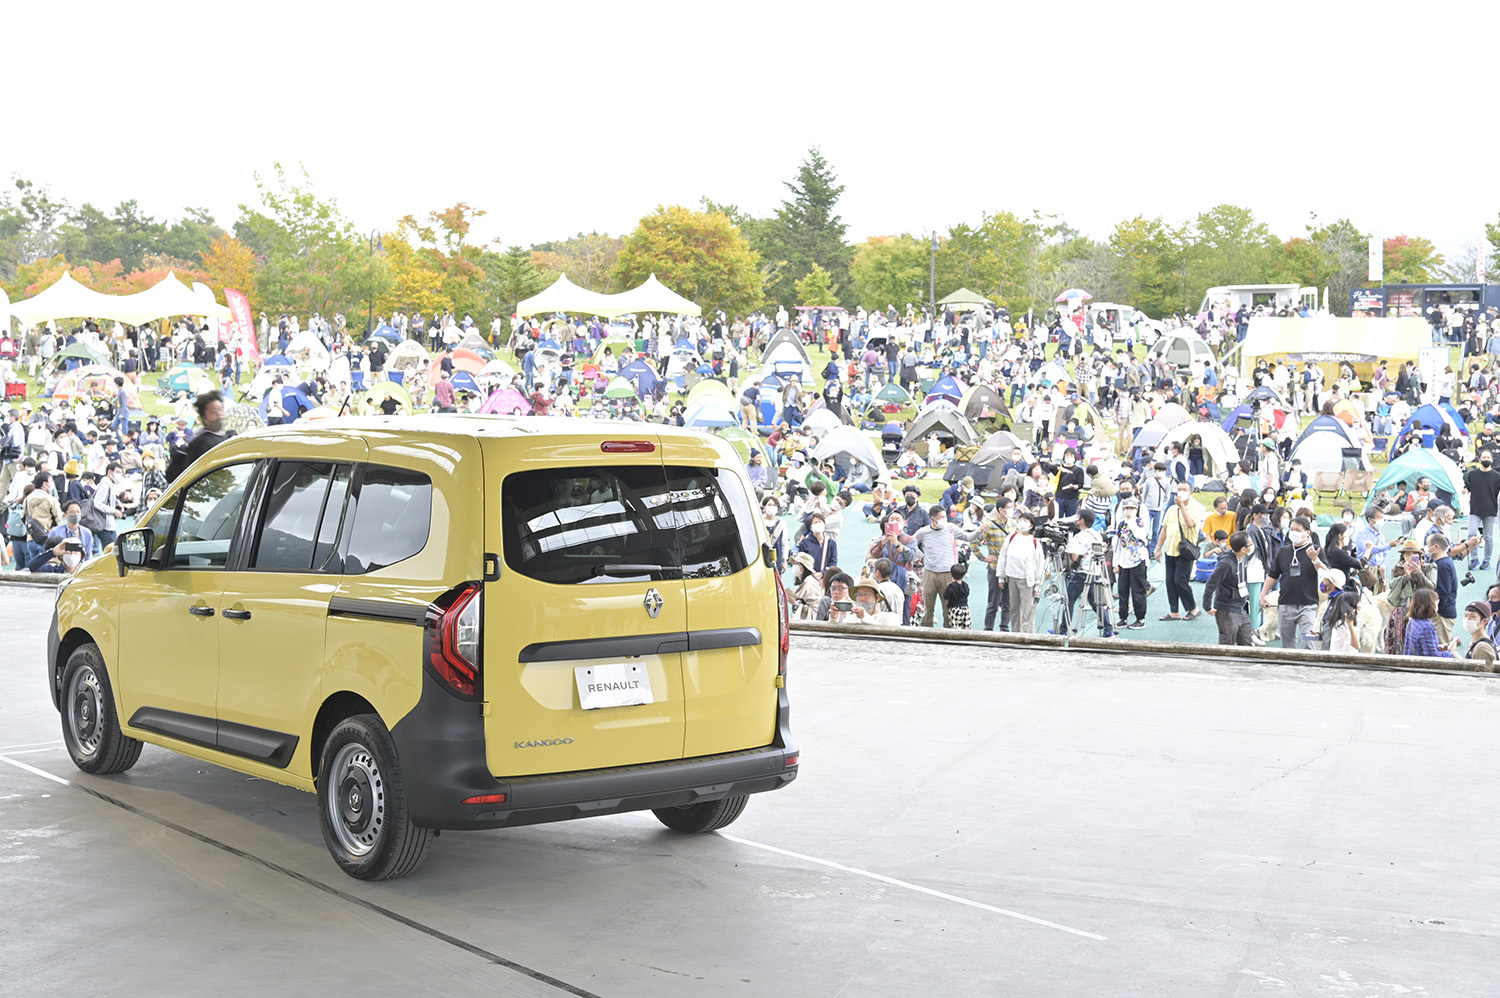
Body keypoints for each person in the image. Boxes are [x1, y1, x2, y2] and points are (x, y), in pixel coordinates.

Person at [910, 504, 981, 627]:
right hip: (930, 572)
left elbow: (967, 537)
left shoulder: (951, 528)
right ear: (933, 519)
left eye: (945, 516)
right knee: (928, 606)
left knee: (948, 606)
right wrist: (921, 556)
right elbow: (911, 542)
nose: (944, 519)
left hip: (948, 572)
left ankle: (948, 632)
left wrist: (978, 531)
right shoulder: (924, 531)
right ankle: (925, 633)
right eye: (941, 517)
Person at [1263, 516, 1323, 650]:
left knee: (1309, 641)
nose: (1293, 532)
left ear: (1307, 532)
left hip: (1308, 604)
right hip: (1285, 603)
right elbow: (1272, 575)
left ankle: (1310, 667)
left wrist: (1315, 559)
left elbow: (1326, 574)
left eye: (1297, 530)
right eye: (1291, 529)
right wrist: (1263, 594)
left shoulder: (1315, 550)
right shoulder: (1283, 551)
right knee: (1287, 643)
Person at [1153, 482, 1202, 621]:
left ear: (1190, 492)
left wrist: (1182, 506)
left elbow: (1191, 523)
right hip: (1170, 549)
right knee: (1170, 581)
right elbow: (1164, 529)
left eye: (1184, 490)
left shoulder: (1195, 507)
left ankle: (1193, 608)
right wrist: (1158, 548)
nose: (1181, 492)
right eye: (1179, 489)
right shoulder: (1171, 509)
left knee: (1180, 580)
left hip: (1185, 551)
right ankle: (1174, 611)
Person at [1061, 509, 1114, 636]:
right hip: (1095, 571)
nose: (1076, 520)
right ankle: (1109, 628)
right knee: (1096, 602)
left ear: (1082, 520)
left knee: (1069, 600)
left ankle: (1063, 630)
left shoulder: (1079, 536)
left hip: (1082, 572)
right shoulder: (1096, 534)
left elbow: (1074, 557)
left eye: (1078, 517)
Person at [166, 391, 232, 483]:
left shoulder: (228, 436)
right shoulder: (201, 444)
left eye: (221, 409)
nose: (219, 414)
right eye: (213, 411)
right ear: (204, 417)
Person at [999, 510, 1047, 634]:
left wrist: (1038, 585)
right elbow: (1003, 556)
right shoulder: (1012, 537)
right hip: (1012, 577)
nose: (1022, 522)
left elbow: (1040, 565)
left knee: (1028, 610)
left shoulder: (1034, 542)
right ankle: (1016, 633)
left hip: (1027, 580)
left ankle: (1028, 635)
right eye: (1021, 519)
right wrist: (1001, 576)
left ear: (1031, 526)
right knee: (1014, 609)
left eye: (1026, 521)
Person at [1203, 530, 1255, 646]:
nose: (1252, 546)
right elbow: (1211, 584)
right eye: (1250, 545)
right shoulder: (1226, 564)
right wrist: (1207, 606)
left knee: (1247, 643)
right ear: (1243, 549)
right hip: (1227, 609)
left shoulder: (1243, 558)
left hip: (1240, 607)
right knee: (1227, 645)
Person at [1111, 497, 1150, 629]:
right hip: (1123, 561)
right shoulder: (1121, 524)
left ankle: (1140, 618)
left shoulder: (1140, 522)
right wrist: (1115, 562)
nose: (1129, 511)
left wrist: (1132, 521)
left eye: (1132, 509)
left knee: (1138, 590)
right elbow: (1117, 543)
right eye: (1127, 508)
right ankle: (1123, 617)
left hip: (1138, 560)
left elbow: (1141, 536)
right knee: (1122, 590)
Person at [1464, 449, 1500, 571]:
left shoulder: (1497, 476)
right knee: (1472, 533)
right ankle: (1474, 560)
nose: (1486, 460)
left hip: (1490, 509)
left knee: (1488, 536)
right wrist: (1465, 490)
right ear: (1479, 459)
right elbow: (1467, 487)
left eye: (1488, 458)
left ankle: (1486, 561)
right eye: (1483, 457)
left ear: (1492, 460)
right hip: (1475, 509)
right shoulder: (1472, 475)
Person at [1403, 588, 1456, 659]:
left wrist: (1439, 647)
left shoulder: (1412, 620)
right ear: (1430, 605)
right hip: (1420, 668)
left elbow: (1419, 646)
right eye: (1436, 602)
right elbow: (1433, 657)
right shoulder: (1426, 627)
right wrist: (1450, 652)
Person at [1426, 533, 1458, 644]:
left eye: (1428, 545)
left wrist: (1437, 611)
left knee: (1444, 649)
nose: (1427, 549)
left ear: (1436, 547)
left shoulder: (1442, 565)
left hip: (1442, 614)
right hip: (1443, 612)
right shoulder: (1444, 562)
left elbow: (1443, 591)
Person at [1461, 600, 1496, 670]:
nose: (1467, 620)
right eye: (1466, 616)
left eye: (1472, 616)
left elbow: (1485, 676)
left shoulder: (1482, 647)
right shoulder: (1475, 642)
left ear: (1485, 621)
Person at [943, 562, 971, 629]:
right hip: (965, 608)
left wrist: (947, 588)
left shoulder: (951, 586)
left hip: (954, 609)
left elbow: (946, 596)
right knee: (966, 626)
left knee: (955, 627)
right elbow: (967, 593)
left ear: (951, 575)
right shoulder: (965, 585)